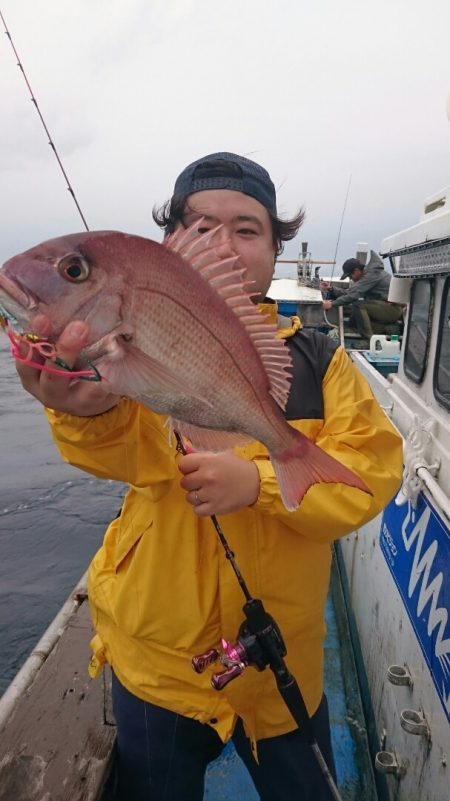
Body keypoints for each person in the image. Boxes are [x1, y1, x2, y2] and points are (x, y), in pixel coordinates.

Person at [15, 152, 403, 801]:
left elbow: (372, 469)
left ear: (277, 248)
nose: (222, 244)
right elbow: (120, 452)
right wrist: (79, 408)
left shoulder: (320, 360)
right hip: (157, 665)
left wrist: (260, 482)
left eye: (246, 229)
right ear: (169, 249)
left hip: (283, 665)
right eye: (200, 227)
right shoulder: (126, 349)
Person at [322, 251, 404, 344]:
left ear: (357, 270)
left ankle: (369, 341)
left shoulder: (371, 275)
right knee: (355, 322)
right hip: (385, 308)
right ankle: (387, 328)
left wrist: (332, 304)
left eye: (350, 276)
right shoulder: (367, 276)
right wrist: (331, 289)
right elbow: (350, 292)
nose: (351, 279)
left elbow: (353, 296)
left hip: (393, 309)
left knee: (359, 306)